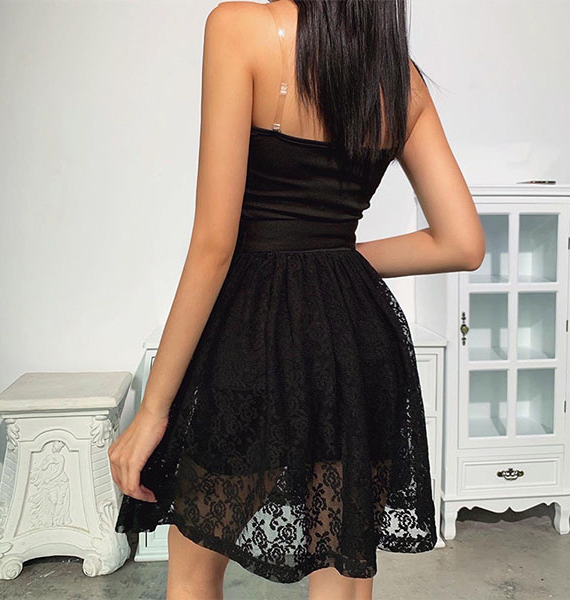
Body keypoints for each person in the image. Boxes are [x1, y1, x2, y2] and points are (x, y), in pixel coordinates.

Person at [109, 1, 485, 599]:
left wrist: (152, 412)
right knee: (344, 568)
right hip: (354, 344)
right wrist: (335, 260)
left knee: (196, 569)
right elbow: (463, 243)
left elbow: (214, 245)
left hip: (250, 336)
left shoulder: (240, 29)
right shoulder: (398, 77)